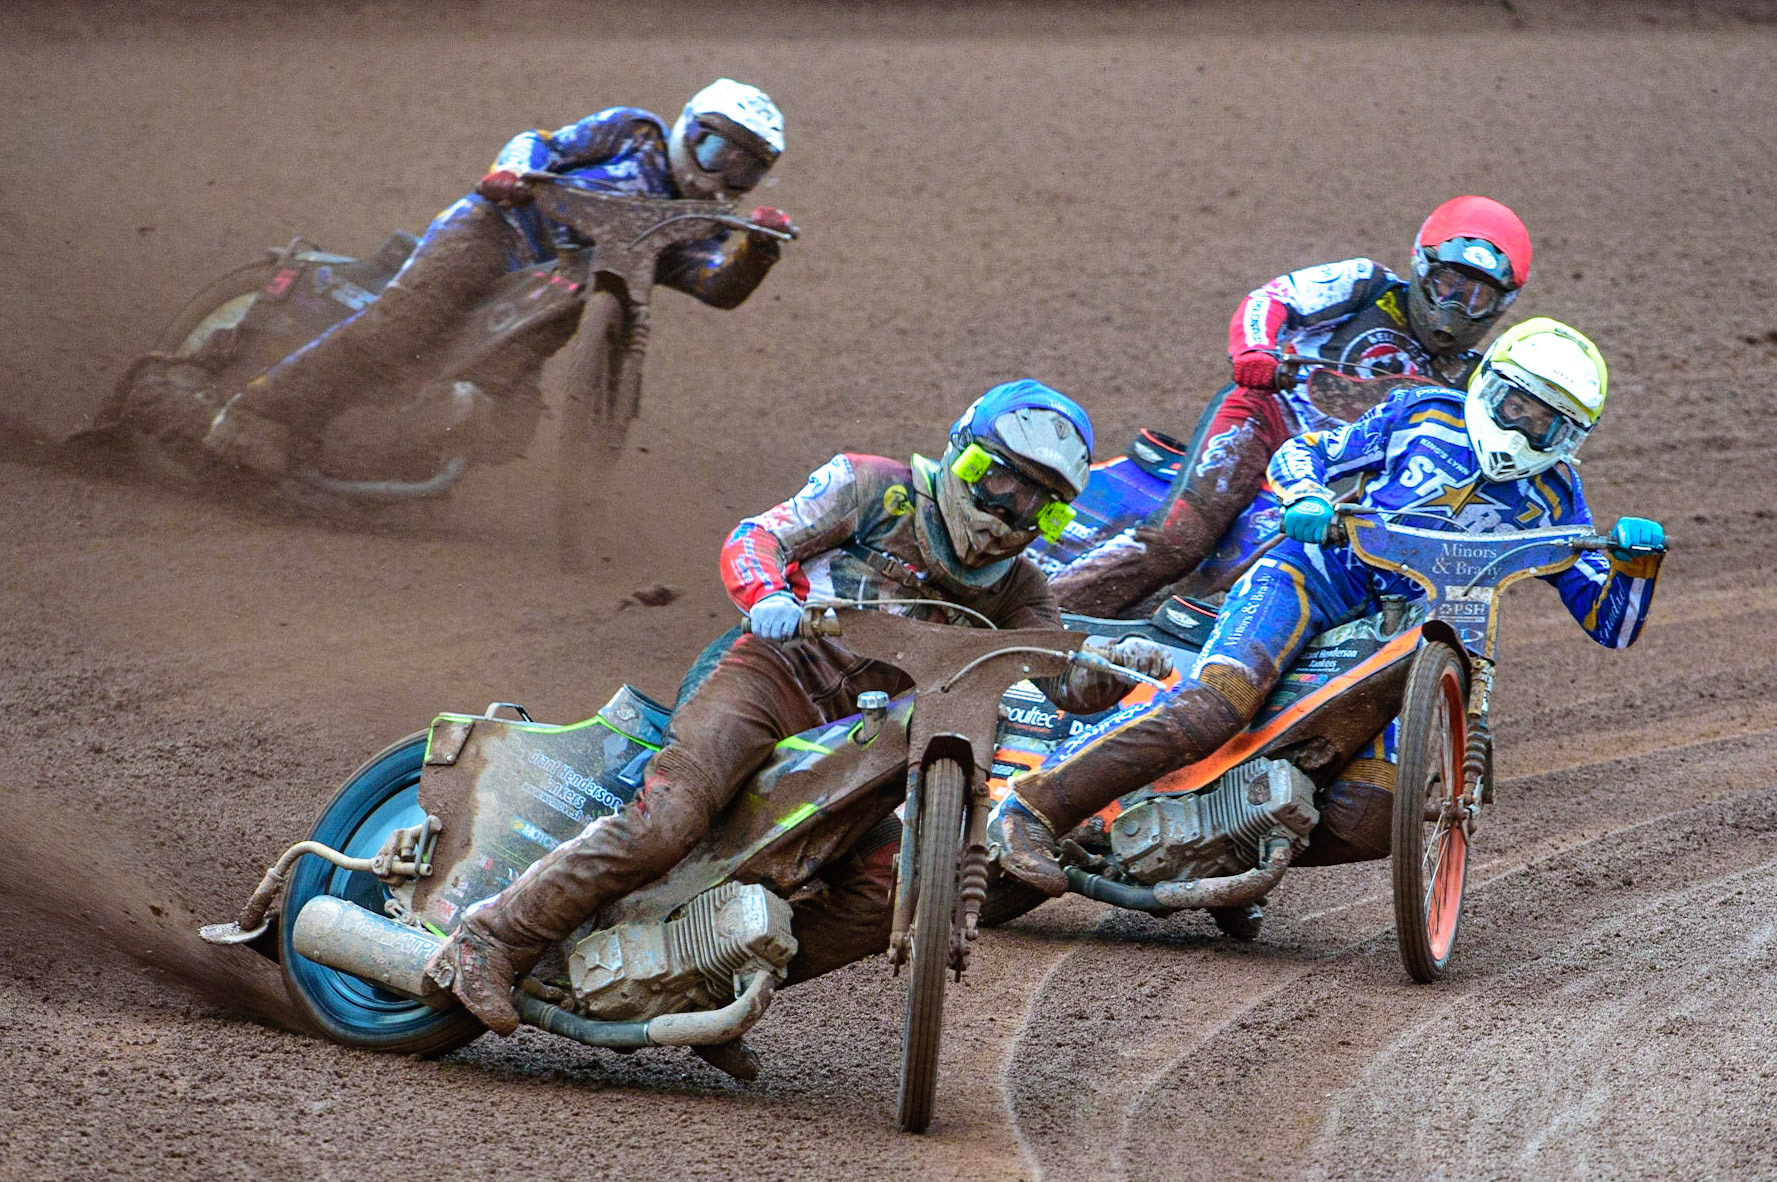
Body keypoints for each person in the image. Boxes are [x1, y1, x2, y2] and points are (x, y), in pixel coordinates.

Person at [424, 380, 1171, 1044]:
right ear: (960, 456)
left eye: (1037, 501)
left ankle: (704, 978)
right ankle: (489, 941)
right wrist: (769, 597)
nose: (1010, 508)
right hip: (769, 677)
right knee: (671, 821)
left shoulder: (1019, 590)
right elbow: (760, 536)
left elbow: (1065, 682)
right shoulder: (873, 488)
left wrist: (1124, 668)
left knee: (885, 887)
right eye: (998, 481)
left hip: (867, 741)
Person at [997, 318, 1666, 896]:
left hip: (1415, 635)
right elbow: (1305, 449)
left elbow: (1611, 623)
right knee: (1217, 704)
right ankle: (1032, 810)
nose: (1522, 427)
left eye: (1545, 420)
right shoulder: (1423, 414)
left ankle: (1225, 852)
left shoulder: (1557, 499)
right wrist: (1305, 497)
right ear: (1489, 384)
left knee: (1374, 810)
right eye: (1515, 404)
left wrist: (1636, 564)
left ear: (1569, 435)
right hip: (1314, 577)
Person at [203, 78, 794, 476]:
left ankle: (354, 454)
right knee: (399, 328)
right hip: (497, 232)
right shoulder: (633, 132)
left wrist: (757, 252)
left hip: (550, 298)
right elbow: (542, 143)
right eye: (719, 150)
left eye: (747, 168)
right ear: (690, 129)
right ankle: (256, 416)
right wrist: (512, 172)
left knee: (505, 425)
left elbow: (714, 285)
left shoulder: (701, 227)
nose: (727, 172)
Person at [1049, 196, 1533, 617]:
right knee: (1181, 540)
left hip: (1337, 479)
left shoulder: (1479, 379)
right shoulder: (1366, 285)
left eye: (1475, 297)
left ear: (1501, 304)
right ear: (1420, 268)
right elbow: (1273, 299)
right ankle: (1042, 615)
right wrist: (1256, 351)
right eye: (1448, 285)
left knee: (1283, 575)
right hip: (1266, 421)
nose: (1454, 307)